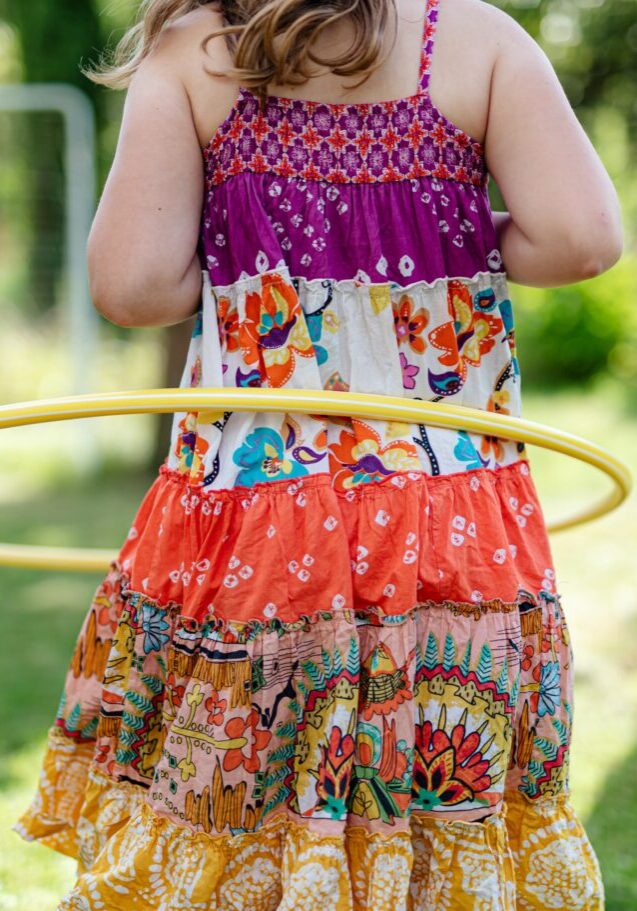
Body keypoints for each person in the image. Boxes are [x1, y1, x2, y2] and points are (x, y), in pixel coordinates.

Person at [14, 0, 623, 908]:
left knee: (242, 815)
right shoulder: (480, 41)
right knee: (434, 817)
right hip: (452, 519)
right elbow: (579, 240)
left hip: (260, 522)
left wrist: (247, 255)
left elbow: (137, 285)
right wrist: (438, 240)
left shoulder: (193, 56)